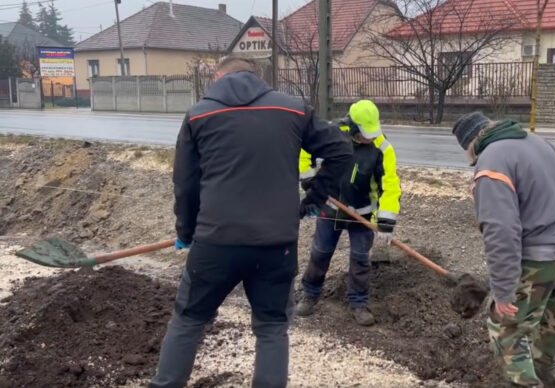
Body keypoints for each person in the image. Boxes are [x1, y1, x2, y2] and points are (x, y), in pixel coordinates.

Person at [150, 57, 352, 388]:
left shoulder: (199, 115)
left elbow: (185, 185)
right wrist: (315, 198)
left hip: (215, 243)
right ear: (257, 77)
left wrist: (186, 232)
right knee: (272, 329)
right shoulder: (292, 109)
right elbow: (341, 151)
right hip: (276, 245)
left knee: (188, 320)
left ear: (218, 77)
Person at [451, 112, 555, 387]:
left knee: (506, 329)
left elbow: (501, 231)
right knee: (551, 322)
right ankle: (550, 377)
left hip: (541, 254)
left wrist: (503, 292)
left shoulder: (490, 163)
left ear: (472, 146)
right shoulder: (536, 142)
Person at [294, 99, 401, 326]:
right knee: (320, 252)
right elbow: (306, 151)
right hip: (331, 206)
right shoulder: (332, 134)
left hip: (362, 214)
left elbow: (390, 186)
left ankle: (358, 303)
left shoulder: (382, 148)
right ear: (352, 126)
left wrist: (386, 221)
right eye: (364, 133)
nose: (369, 138)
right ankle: (310, 293)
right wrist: (309, 179)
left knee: (361, 259)